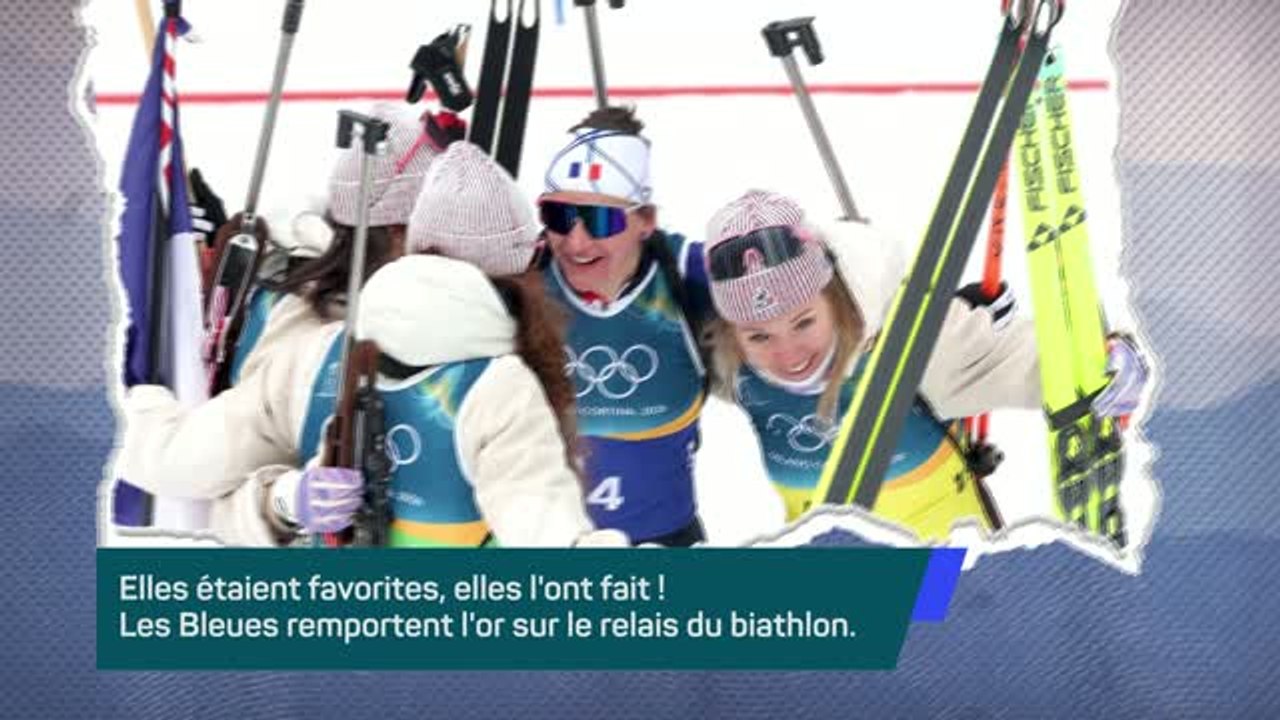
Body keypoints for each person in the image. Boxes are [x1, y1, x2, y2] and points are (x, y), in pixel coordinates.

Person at [119, 139, 620, 547]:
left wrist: (284, 503)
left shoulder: (314, 353)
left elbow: (182, 468)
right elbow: (540, 520)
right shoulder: (503, 386)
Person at [701, 190, 1148, 541]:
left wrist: (1109, 358)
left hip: (949, 587)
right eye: (759, 335)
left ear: (833, 298)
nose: (789, 356)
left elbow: (1027, 359)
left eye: (804, 322)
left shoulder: (914, 348)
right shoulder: (734, 366)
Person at [536, 105, 715, 546]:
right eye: (559, 217)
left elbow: (798, 293)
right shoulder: (524, 275)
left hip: (666, 544)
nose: (576, 242)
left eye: (601, 220)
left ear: (646, 221)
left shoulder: (688, 275)